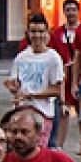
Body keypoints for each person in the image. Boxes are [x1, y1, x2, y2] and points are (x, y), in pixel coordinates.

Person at [5, 14, 66, 146]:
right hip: (22, 112)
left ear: (47, 33)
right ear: (28, 33)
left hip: (42, 114)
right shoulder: (21, 57)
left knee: (38, 152)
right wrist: (13, 88)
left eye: (41, 31)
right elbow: (15, 84)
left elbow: (56, 89)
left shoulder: (53, 57)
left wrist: (32, 94)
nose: (37, 36)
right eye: (33, 31)